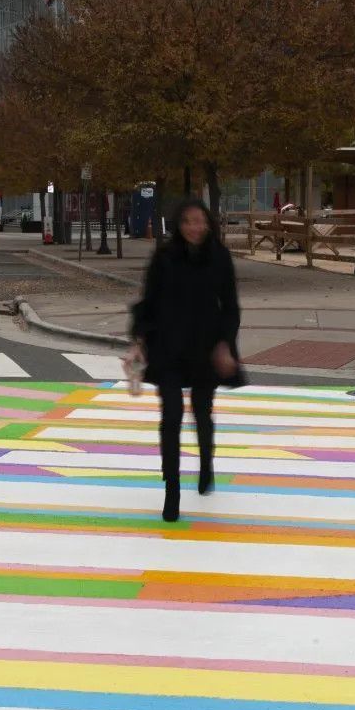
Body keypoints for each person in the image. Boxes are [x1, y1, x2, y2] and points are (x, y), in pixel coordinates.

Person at [126, 198, 241, 521]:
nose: (195, 227)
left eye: (200, 221)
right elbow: (147, 302)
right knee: (171, 417)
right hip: (168, 348)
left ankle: (206, 464)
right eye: (188, 221)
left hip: (206, 348)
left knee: (202, 413)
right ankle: (172, 489)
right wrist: (138, 341)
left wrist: (225, 345)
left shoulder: (220, 257)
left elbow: (230, 307)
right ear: (178, 224)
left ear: (208, 223)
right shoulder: (164, 257)